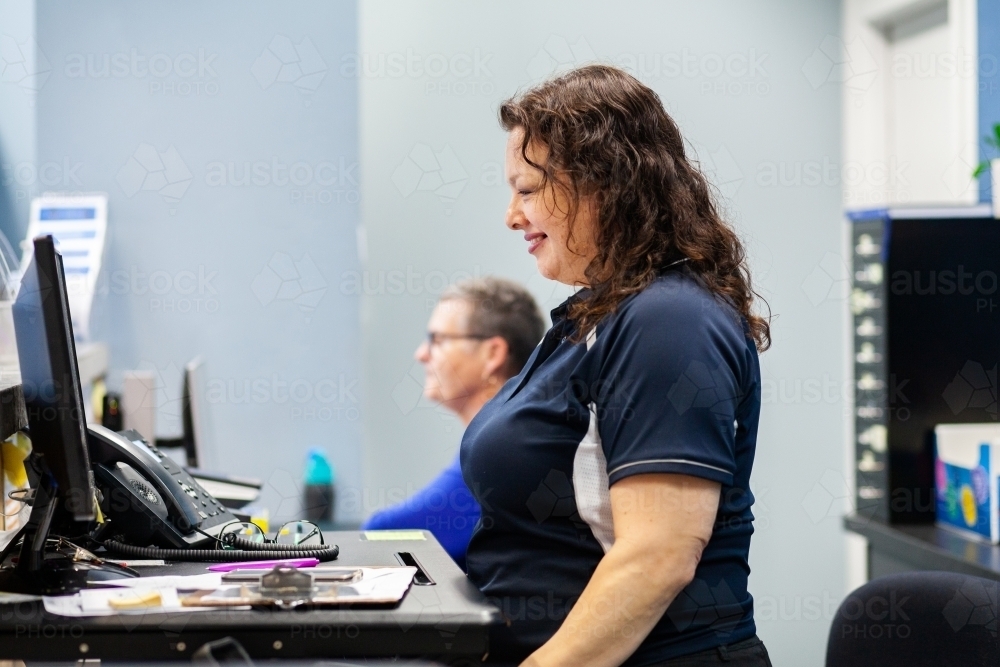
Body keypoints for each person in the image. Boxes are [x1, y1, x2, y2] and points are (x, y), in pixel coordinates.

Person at [460, 65, 772, 666]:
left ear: (601, 183)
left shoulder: (669, 320)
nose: (512, 215)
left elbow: (658, 557)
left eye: (527, 190)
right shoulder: (598, 315)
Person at [362, 277, 545, 570]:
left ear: (493, 353)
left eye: (438, 340)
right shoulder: (512, 431)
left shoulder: (504, 445)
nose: (421, 354)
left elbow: (382, 536)